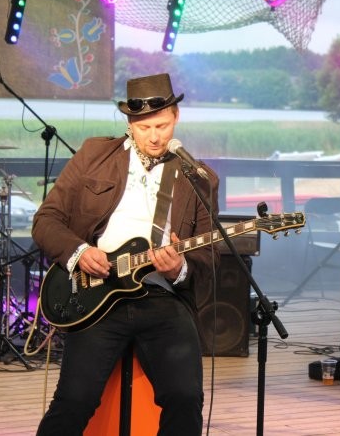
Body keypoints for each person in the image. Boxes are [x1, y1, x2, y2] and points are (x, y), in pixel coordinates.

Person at [33, 73, 219, 435]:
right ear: (129, 123)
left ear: (176, 117)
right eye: (145, 127)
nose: (155, 136)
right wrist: (79, 252)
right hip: (97, 293)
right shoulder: (94, 155)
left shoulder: (199, 178)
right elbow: (46, 221)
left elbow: (210, 255)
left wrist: (178, 268)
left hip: (162, 297)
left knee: (185, 398)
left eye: (162, 126)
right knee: (74, 400)